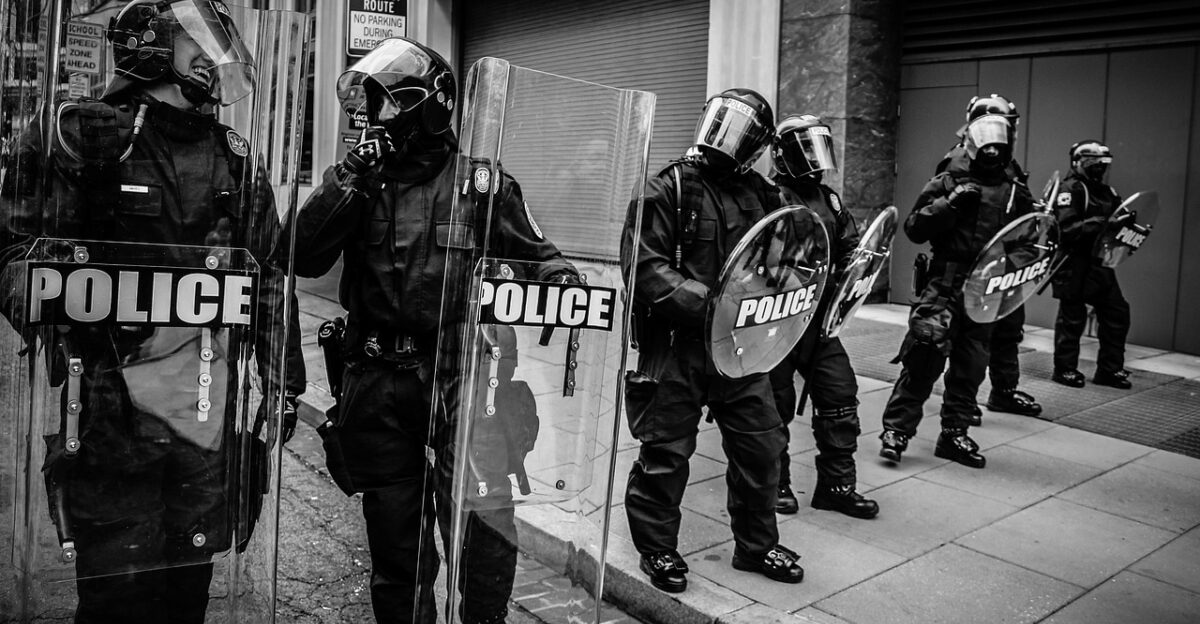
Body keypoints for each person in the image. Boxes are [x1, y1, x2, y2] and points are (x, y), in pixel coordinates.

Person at [0, 1, 304, 622]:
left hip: (205, 407)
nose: (215, 56)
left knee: (188, 587)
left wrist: (283, 383)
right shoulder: (82, 134)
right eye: (199, 41)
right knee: (116, 591)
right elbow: (12, 247)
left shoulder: (232, 154)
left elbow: (269, 276)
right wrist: (57, 298)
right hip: (110, 403)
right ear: (155, 48)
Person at [288, 37, 577, 624]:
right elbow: (301, 255)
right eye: (371, 103)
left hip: (464, 379)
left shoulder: (481, 184)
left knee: (483, 534)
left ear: (428, 107)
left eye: (387, 103)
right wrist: (349, 177)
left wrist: (562, 282)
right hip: (378, 382)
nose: (374, 116)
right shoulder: (361, 180)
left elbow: (539, 255)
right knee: (396, 546)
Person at [622, 88, 805, 594]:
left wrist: (782, 295)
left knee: (763, 448)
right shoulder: (668, 187)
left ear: (758, 146)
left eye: (741, 132)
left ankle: (756, 546)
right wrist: (712, 305)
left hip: (742, 350)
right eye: (723, 123)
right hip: (678, 346)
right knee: (665, 455)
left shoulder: (766, 195)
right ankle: (657, 548)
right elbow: (644, 267)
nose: (726, 139)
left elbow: (784, 259)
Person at [877, 94, 1037, 469]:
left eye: (999, 144)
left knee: (971, 365)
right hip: (945, 283)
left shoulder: (1015, 190)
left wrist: (1009, 268)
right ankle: (896, 431)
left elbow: (1030, 242)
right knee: (924, 355)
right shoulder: (949, 177)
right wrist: (948, 204)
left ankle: (954, 434)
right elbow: (914, 228)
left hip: (985, 288)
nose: (992, 151)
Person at [766, 114, 878, 519]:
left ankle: (836, 487)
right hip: (775, 321)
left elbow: (849, 247)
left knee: (839, 396)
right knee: (773, 407)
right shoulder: (766, 196)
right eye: (806, 150)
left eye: (819, 148)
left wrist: (854, 272)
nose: (815, 159)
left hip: (819, 320)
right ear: (784, 156)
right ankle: (774, 484)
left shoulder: (829, 200)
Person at [933, 119, 1043, 423]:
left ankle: (1003, 391)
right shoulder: (958, 160)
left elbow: (1024, 221)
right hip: (960, 274)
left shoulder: (1009, 165)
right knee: (955, 344)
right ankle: (960, 404)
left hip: (1002, 269)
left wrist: (1018, 257)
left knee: (1006, 331)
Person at [1050, 140, 1132, 389]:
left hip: (1099, 263)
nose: (1099, 168)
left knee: (1117, 313)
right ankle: (1064, 369)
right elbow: (1066, 230)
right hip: (1073, 262)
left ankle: (1110, 369)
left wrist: (1128, 224)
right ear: (1078, 163)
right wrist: (1103, 223)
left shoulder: (1108, 192)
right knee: (1072, 319)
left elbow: (1118, 220)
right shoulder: (1070, 189)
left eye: (1103, 164)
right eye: (1093, 163)